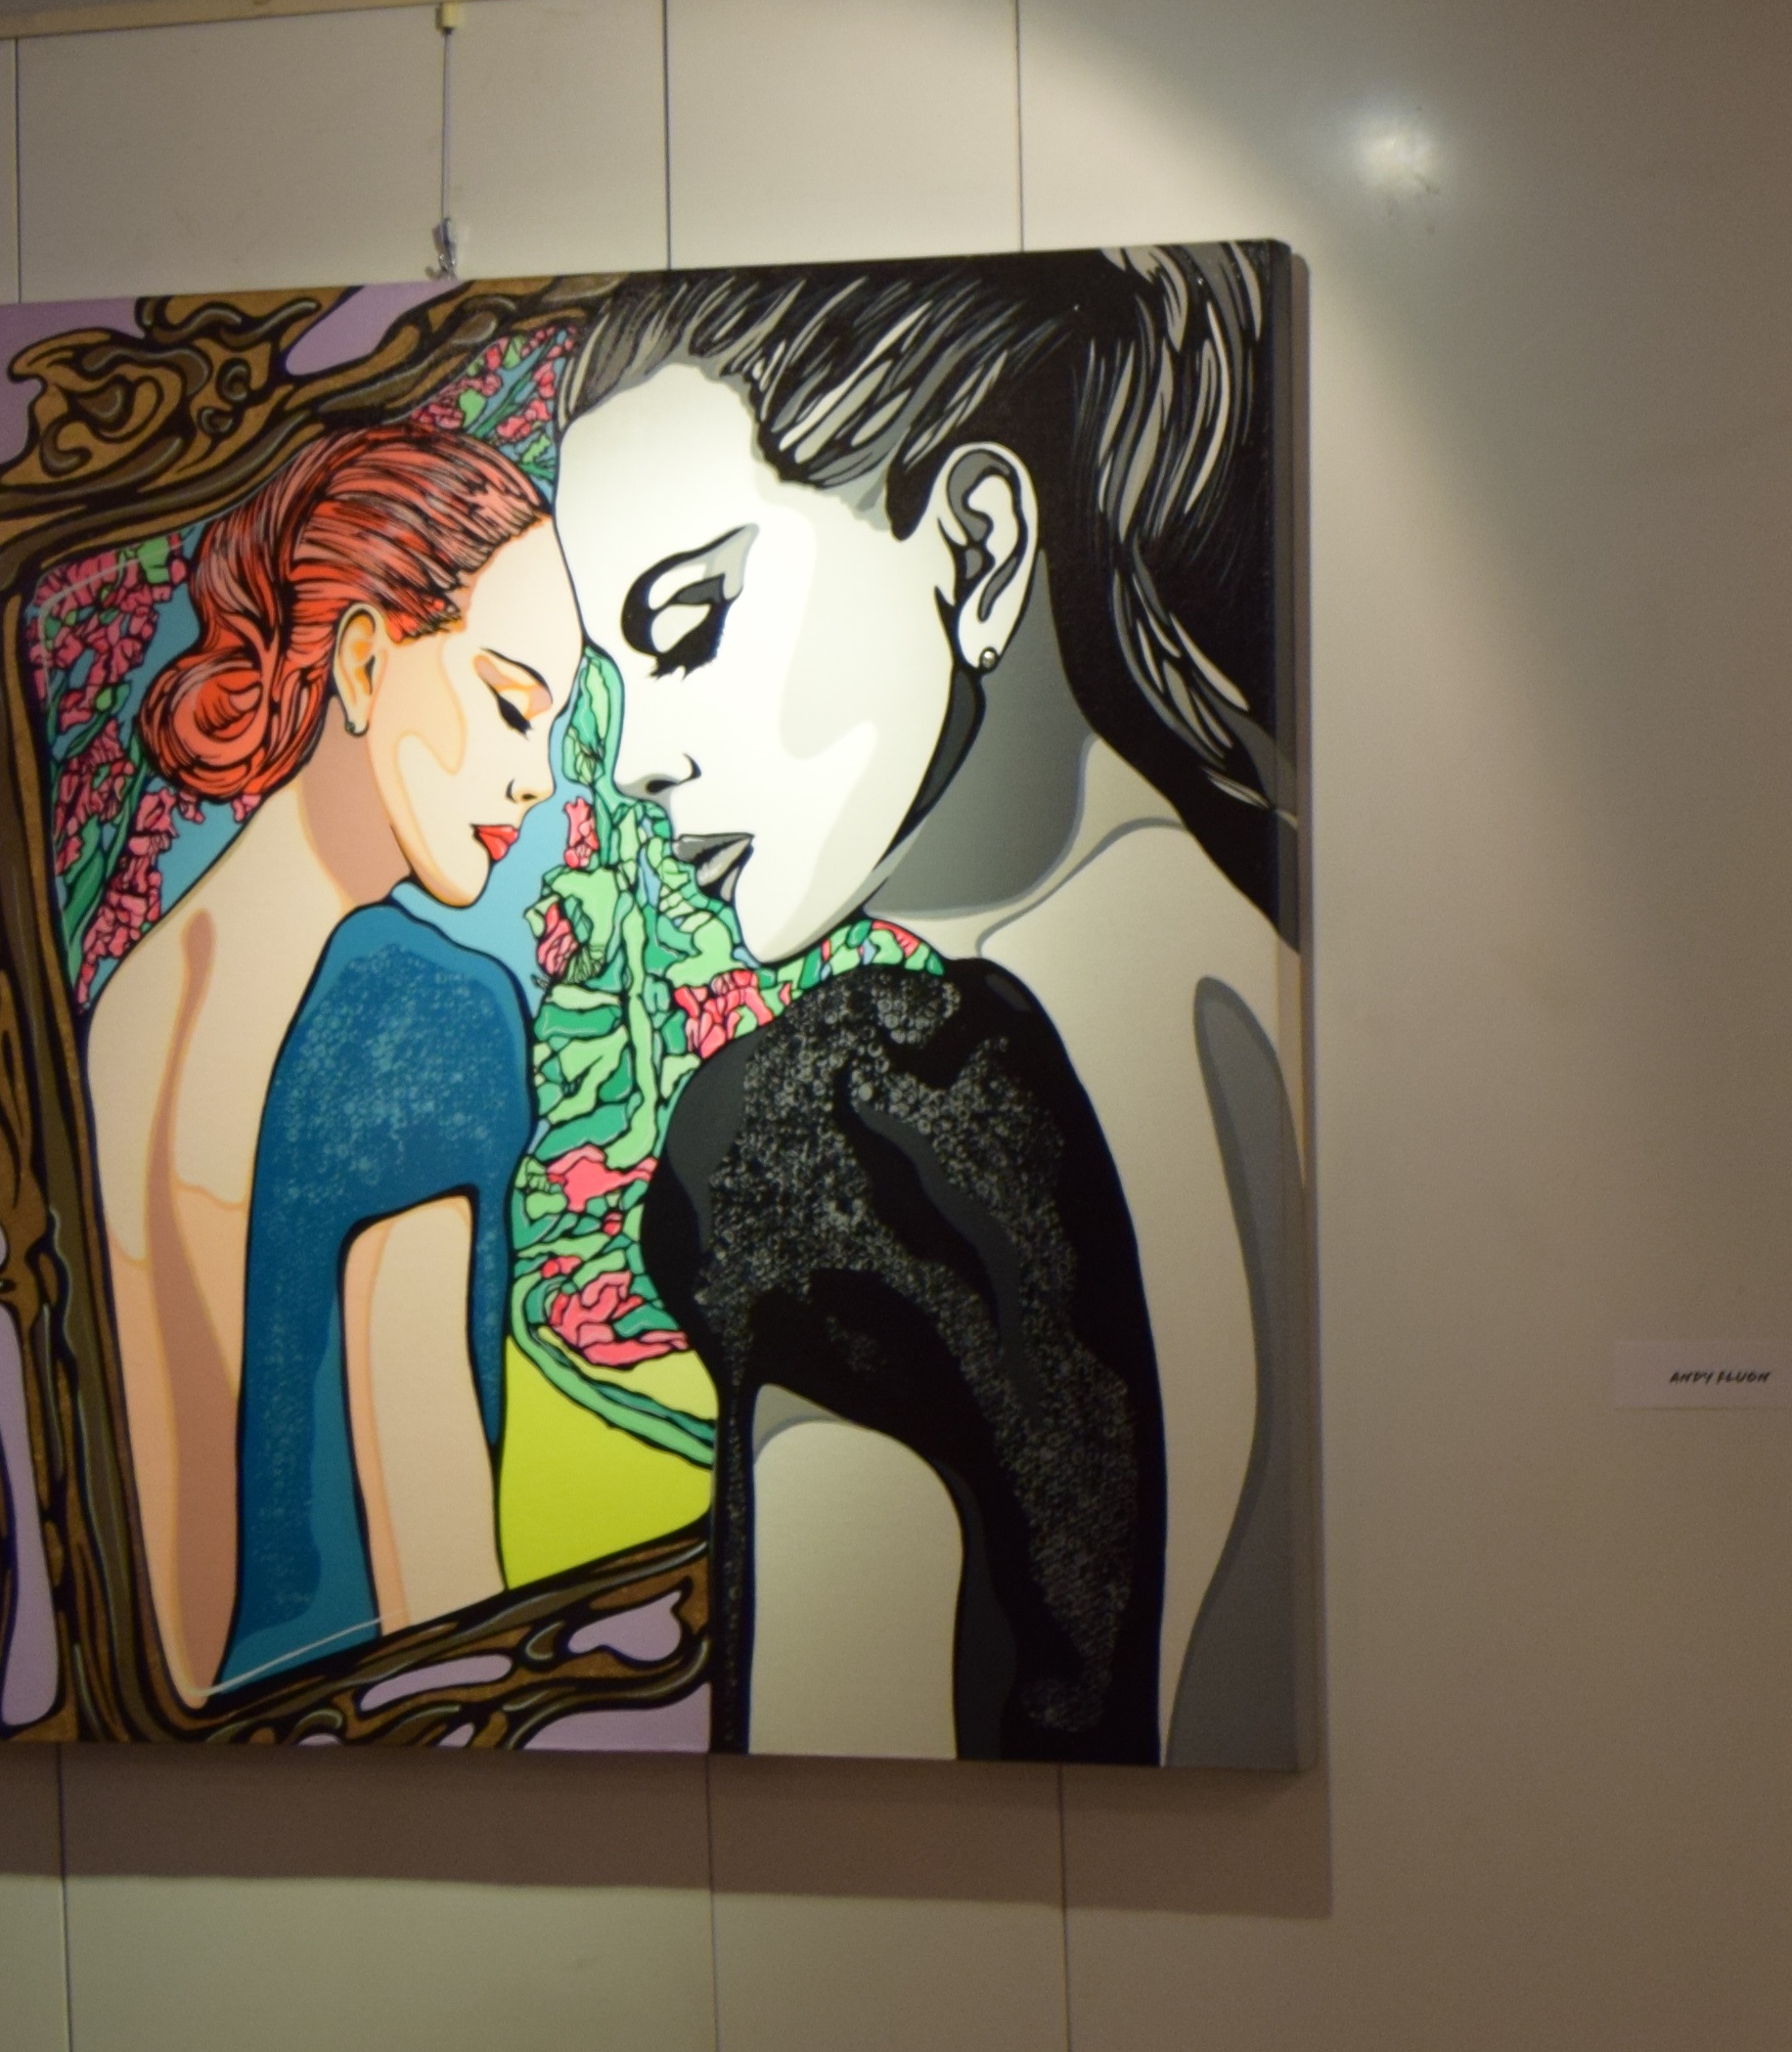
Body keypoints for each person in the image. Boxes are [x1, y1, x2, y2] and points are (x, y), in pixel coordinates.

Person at [551, 251, 1305, 1765]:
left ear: (976, 544)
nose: (636, 758)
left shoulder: (850, 1139)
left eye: (687, 625)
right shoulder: (1270, 968)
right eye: (613, 672)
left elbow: (839, 1819)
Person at [76, 417, 582, 1699]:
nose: (537, 779)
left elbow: (170, 1597)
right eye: (512, 706)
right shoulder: (429, 1018)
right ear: (363, 661)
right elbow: (438, 1587)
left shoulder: (128, 1009)